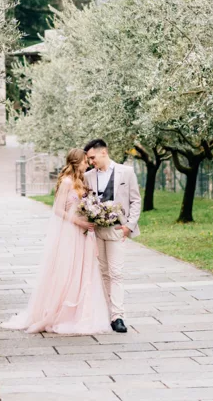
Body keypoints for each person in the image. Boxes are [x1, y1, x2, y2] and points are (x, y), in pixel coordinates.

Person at [0, 148, 111, 335]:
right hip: (71, 232)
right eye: (85, 161)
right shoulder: (67, 182)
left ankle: (81, 313)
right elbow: (58, 210)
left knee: (83, 271)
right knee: (67, 270)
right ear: (77, 162)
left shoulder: (82, 181)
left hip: (84, 233)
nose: (88, 163)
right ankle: (60, 312)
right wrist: (79, 222)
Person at [83, 138, 141, 333]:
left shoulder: (127, 172)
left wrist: (129, 227)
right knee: (103, 273)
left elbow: (135, 201)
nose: (91, 162)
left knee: (116, 273)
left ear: (103, 153)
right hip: (97, 232)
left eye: (92, 157)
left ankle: (118, 316)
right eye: (89, 159)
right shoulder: (88, 176)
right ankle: (106, 313)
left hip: (117, 230)